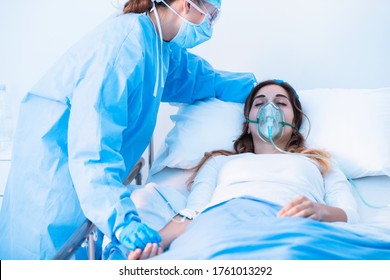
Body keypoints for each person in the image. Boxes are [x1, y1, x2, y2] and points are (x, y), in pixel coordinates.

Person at [0, 0, 256, 260]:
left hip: (86, 187)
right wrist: (123, 221)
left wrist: (257, 88)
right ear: (187, 5)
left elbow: (198, 79)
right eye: (211, 15)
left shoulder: (158, 45)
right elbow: (93, 148)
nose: (210, 26)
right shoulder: (123, 46)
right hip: (52, 187)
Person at [127, 79, 360, 260]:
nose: (270, 109)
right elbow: (194, 211)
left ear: (295, 121)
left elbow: (349, 213)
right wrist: (156, 245)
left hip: (293, 226)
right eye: (260, 103)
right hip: (224, 224)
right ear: (248, 123)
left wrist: (319, 212)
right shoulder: (220, 161)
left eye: (280, 103)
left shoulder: (318, 162)